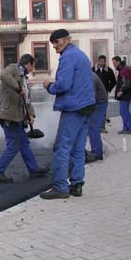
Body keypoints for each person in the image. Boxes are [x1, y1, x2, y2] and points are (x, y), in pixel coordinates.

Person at [41, 29, 95, 199]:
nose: (55, 46)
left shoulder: (68, 57)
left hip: (73, 107)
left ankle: (60, 187)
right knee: (78, 149)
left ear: (67, 40)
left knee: (62, 148)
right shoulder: (80, 55)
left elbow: (63, 85)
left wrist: (49, 86)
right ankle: (77, 185)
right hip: (86, 106)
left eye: (57, 42)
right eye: (53, 44)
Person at [0, 54, 50, 183]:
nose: (32, 69)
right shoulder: (13, 69)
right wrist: (18, 88)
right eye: (33, 66)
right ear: (28, 63)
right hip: (9, 116)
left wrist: (31, 115)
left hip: (18, 117)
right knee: (14, 145)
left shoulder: (24, 78)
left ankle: (34, 169)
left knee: (24, 144)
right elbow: (3, 76)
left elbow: (26, 100)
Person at [86, 72, 108, 163]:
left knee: (93, 127)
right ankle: (96, 150)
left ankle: (97, 153)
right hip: (97, 102)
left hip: (100, 103)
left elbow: (92, 96)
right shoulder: (87, 75)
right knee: (91, 127)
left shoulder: (90, 77)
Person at [112, 56, 131, 134]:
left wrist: (121, 91)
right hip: (125, 93)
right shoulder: (123, 69)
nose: (114, 65)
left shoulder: (124, 70)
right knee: (123, 111)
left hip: (126, 94)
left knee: (124, 111)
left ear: (118, 61)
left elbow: (126, 83)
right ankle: (126, 128)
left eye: (114, 63)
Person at [92, 54, 116, 133]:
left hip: (104, 92)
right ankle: (95, 126)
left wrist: (108, 89)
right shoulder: (93, 69)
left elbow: (113, 81)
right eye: (101, 61)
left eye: (104, 61)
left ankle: (102, 127)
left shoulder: (109, 70)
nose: (102, 63)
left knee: (102, 110)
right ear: (98, 61)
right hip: (94, 92)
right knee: (94, 110)